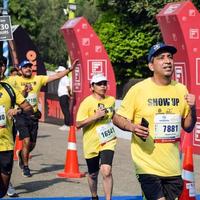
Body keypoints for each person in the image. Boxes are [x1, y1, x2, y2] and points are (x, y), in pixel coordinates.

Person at [113, 42, 197, 200]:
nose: (167, 61)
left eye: (170, 57)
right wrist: (131, 126)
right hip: (146, 165)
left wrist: (193, 108)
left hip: (172, 167)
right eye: (161, 58)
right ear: (151, 66)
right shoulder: (139, 90)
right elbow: (117, 117)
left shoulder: (181, 89)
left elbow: (188, 126)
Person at [14, 58, 79, 177]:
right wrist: (23, 93)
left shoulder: (38, 79)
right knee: (26, 140)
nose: (28, 69)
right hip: (21, 115)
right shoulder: (15, 80)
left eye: (29, 66)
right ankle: (26, 167)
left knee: (31, 144)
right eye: (25, 67)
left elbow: (56, 76)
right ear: (20, 70)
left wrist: (70, 69)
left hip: (34, 116)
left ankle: (21, 155)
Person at [76, 73, 116, 200]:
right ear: (92, 86)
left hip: (108, 140)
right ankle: (94, 196)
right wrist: (95, 116)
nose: (103, 86)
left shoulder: (111, 100)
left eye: (105, 83)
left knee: (106, 170)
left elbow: (114, 116)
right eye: (99, 84)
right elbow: (78, 124)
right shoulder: (86, 103)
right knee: (93, 174)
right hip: (91, 143)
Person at [0, 56, 33, 198]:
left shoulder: (9, 88)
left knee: (3, 185)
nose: (0, 68)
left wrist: (17, 110)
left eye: (2, 65)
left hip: (5, 142)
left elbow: (29, 108)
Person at [56, 65, 72, 131]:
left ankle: (67, 125)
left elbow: (68, 87)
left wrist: (69, 94)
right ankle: (66, 124)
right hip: (62, 96)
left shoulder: (65, 78)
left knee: (66, 110)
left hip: (64, 95)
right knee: (64, 110)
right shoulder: (62, 78)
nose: (58, 73)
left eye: (59, 72)